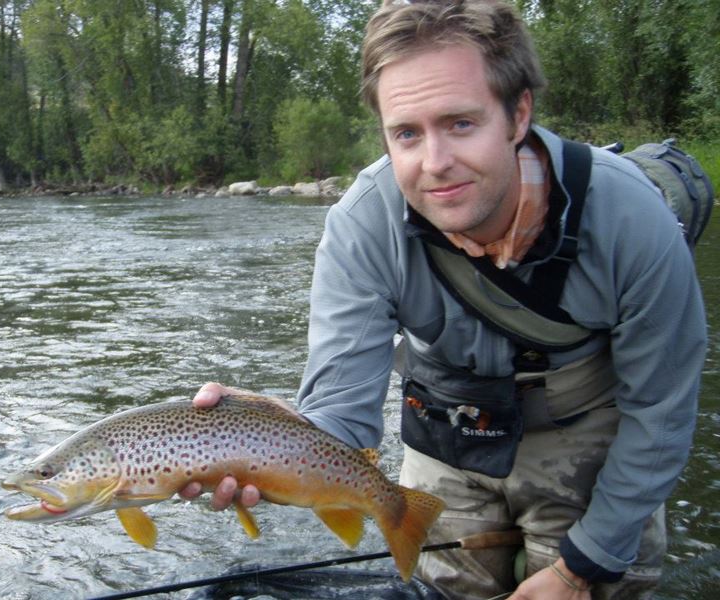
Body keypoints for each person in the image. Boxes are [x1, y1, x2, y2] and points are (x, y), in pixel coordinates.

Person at [181, 1, 707, 599]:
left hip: (593, 438)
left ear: (518, 114)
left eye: (460, 123)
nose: (434, 164)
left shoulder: (633, 219)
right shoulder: (362, 225)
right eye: (406, 133)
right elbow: (342, 418)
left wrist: (580, 568)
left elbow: (660, 417)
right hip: (449, 428)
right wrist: (270, 435)